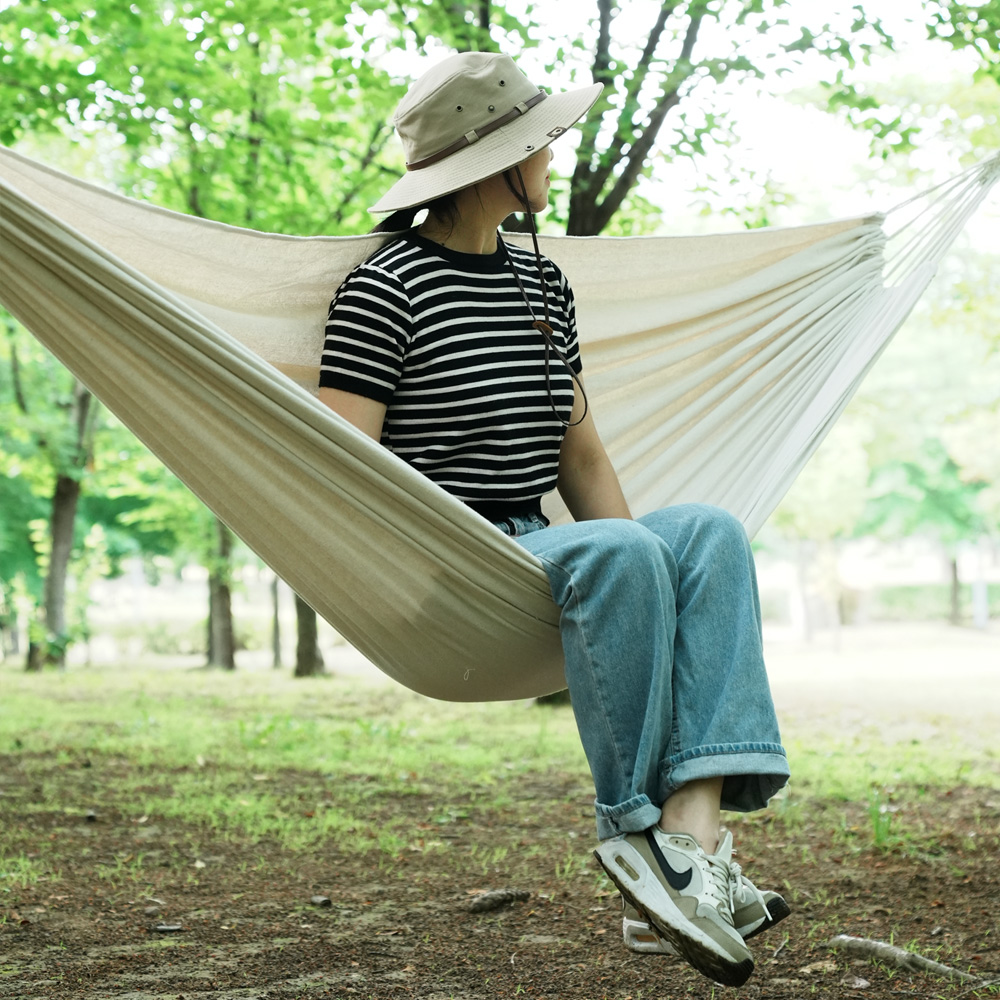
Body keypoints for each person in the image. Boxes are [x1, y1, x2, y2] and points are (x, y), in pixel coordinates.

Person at [318, 50, 791, 989]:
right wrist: (611, 554)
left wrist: (652, 569)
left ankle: (687, 846)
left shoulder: (544, 286)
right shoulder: (384, 291)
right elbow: (342, 472)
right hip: (451, 566)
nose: (553, 154)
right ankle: (637, 838)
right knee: (621, 548)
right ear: (495, 162)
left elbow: (581, 458)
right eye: (541, 141)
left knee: (708, 532)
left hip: (545, 551)